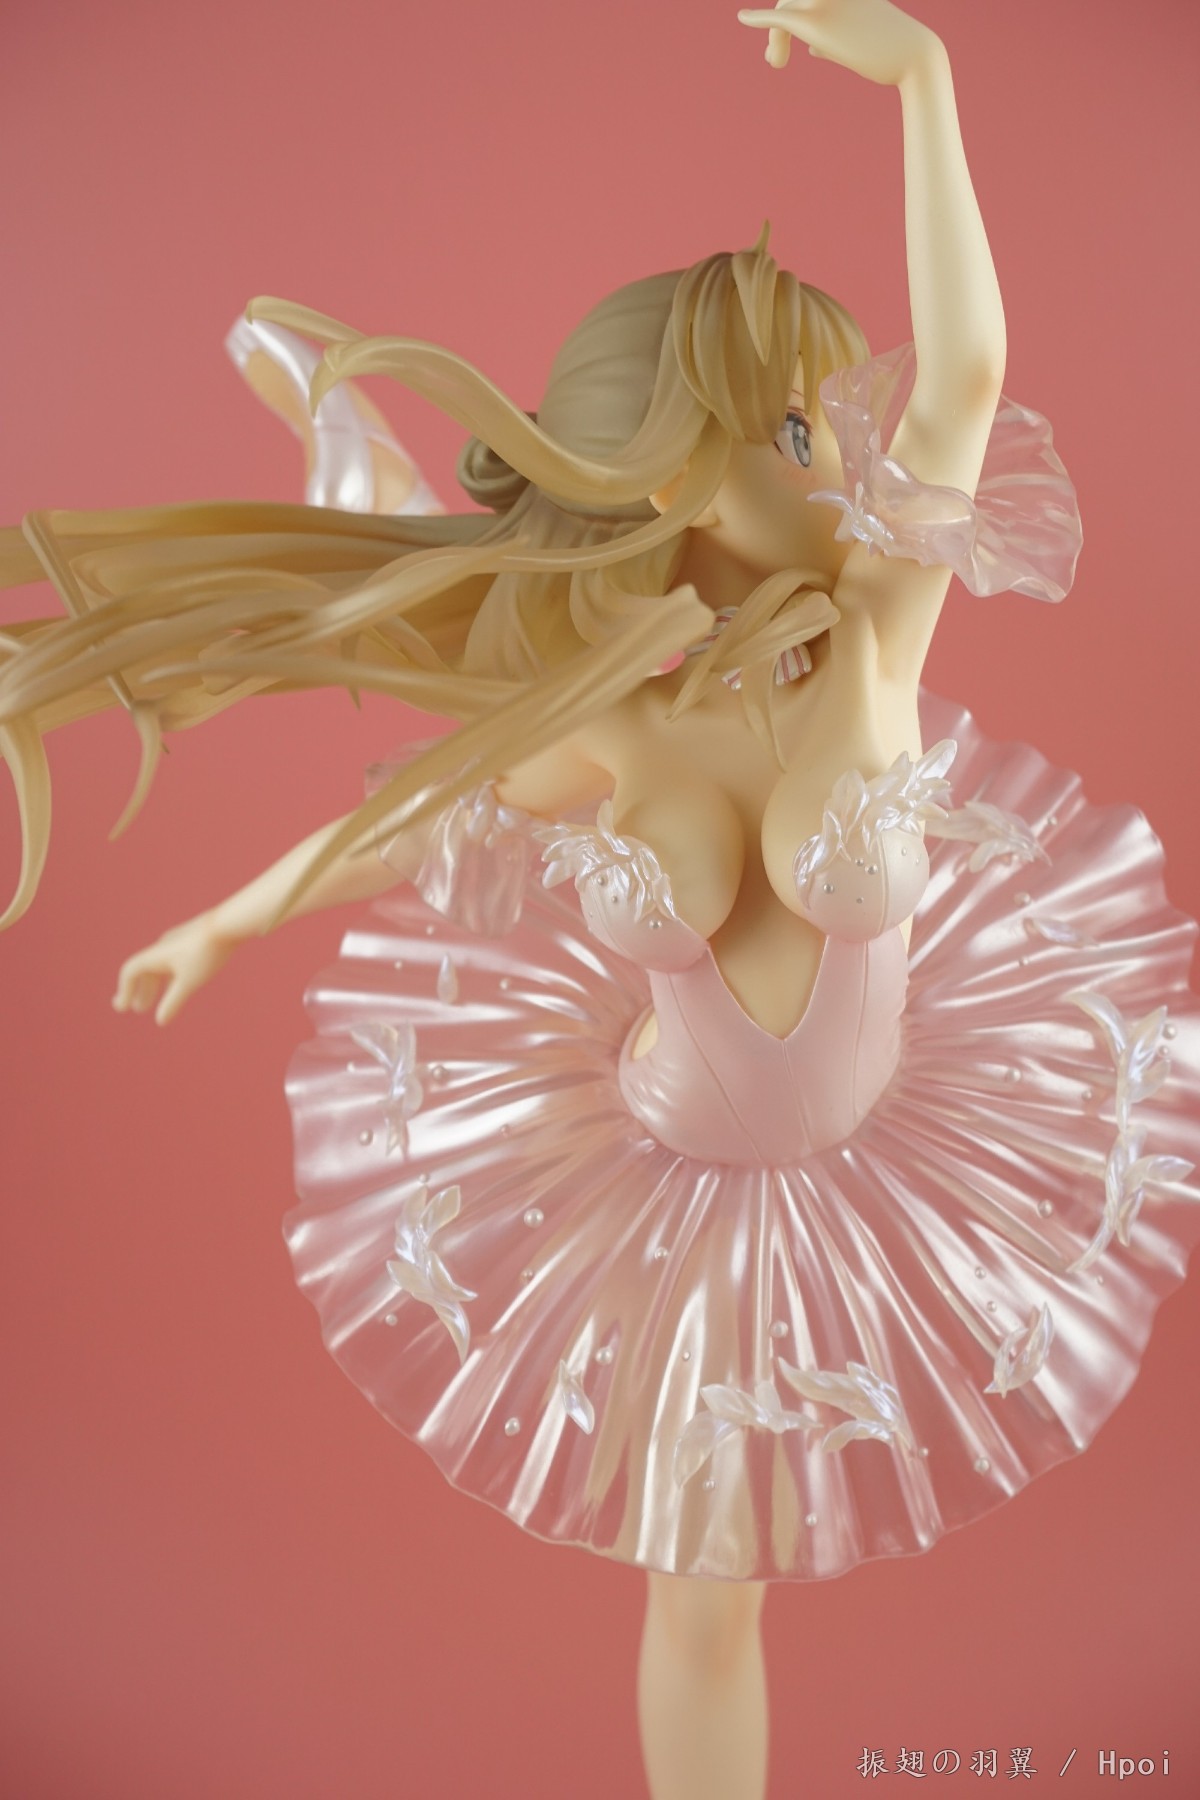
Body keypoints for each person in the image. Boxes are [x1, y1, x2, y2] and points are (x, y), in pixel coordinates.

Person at [2, 5, 1197, 1798]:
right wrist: (231, 919)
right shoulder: (607, 725)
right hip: (667, 1187)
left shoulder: (880, 632)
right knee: (706, 1609)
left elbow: (966, 374)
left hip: (891, 1155)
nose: (840, 457)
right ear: (672, 470)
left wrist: (923, 78)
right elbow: (411, 819)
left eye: (825, 418)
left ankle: (373, 464)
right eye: (788, 425)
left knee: (738, 1592)